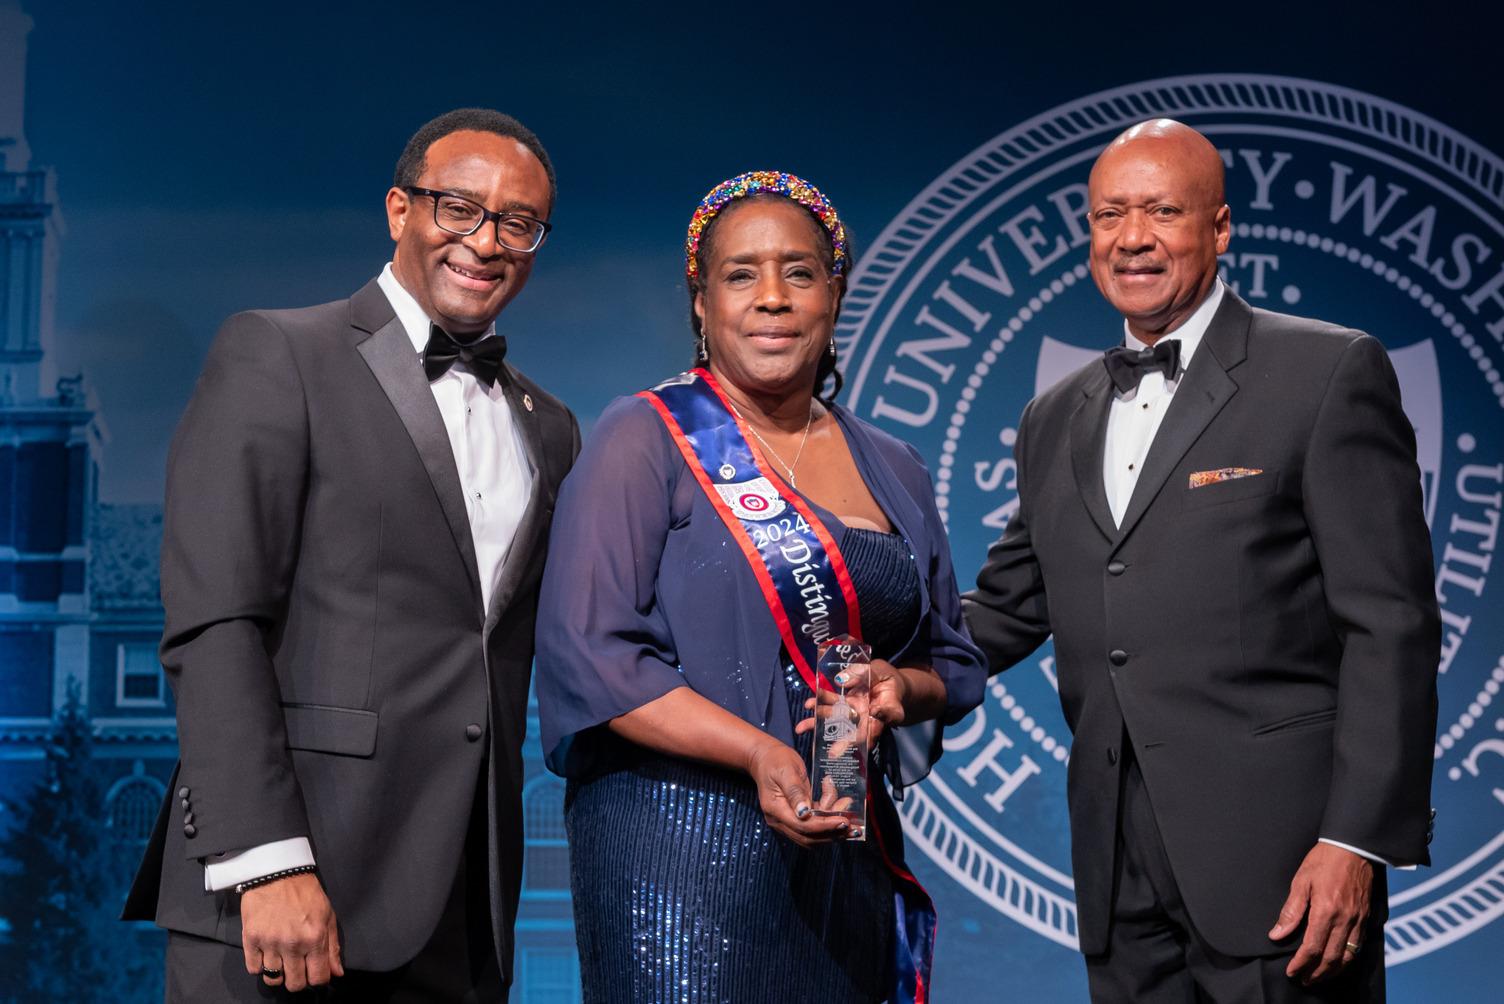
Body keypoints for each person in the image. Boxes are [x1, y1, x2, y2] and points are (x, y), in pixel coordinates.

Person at [963, 119, 1440, 1002]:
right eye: (1110, 215)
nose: (1132, 238)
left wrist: (1355, 841)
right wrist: (866, 657)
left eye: (1161, 212)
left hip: (1285, 864)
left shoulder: (1328, 372)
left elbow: (1392, 625)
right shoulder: (1053, 417)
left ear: (1219, 229)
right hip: (1117, 869)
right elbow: (1002, 611)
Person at [122, 108, 579, 1000]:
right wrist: (266, 862)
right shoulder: (277, 352)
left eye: (517, 222)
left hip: (462, 908)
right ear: (399, 210)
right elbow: (215, 625)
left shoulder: (550, 427)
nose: (486, 241)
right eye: (458, 208)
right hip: (288, 899)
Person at [535, 171, 985, 1003]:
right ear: (702, 303)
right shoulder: (646, 436)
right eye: (742, 274)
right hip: (675, 855)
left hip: (840, 849)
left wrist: (899, 688)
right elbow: (588, 653)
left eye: (800, 272)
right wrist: (756, 751)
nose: (772, 297)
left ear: (835, 294)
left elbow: (951, 664)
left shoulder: (896, 465)